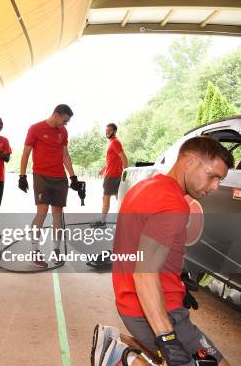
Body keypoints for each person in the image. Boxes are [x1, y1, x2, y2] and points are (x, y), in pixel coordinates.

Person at [94, 136, 234, 366]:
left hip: (132, 302)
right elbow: (145, 274)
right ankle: (120, 358)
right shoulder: (173, 204)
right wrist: (167, 337)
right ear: (190, 162)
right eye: (213, 176)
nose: (216, 186)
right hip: (158, 309)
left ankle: (120, 347)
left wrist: (175, 276)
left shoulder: (145, 187)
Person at [19, 104, 79, 267]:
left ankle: (56, 250)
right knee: (42, 211)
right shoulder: (35, 128)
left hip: (60, 178)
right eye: (64, 121)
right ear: (56, 115)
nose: (65, 124)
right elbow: (26, 153)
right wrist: (22, 176)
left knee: (57, 215)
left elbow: (65, 154)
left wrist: (73, 177)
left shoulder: (63, 132)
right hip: (41, 176)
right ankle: (34, 251)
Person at [92, 123, 128, 227]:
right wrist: (104, 168)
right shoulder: (112, 142)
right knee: (117, 198)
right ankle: (122, 221)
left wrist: (126, 173)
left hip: (112, 175)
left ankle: (102, 222)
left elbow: (124, 158)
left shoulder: (115, 142)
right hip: (111, 174)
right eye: (106, 130)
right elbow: (112, 159)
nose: (107, 132)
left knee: (106, 198)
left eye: (110, 130)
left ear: (114, 131)